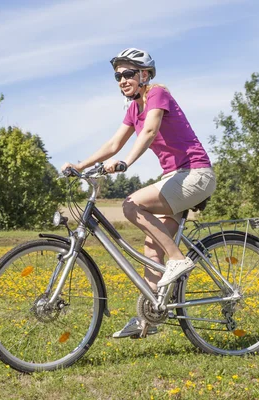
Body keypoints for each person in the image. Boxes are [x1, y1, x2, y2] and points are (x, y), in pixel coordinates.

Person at [60, 48, 216, 338]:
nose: (122, 79)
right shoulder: (133, 108)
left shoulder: (157, 94)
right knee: (150, 242)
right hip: (176, 178)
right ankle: (151, 317)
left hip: (195, 174)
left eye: (128, 73)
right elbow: (113, 143)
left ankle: (178, 259)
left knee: (131, 205)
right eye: (118, 75)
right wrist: (80, 165)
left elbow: (150, 131)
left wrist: (125, 163)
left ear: (145, 75)